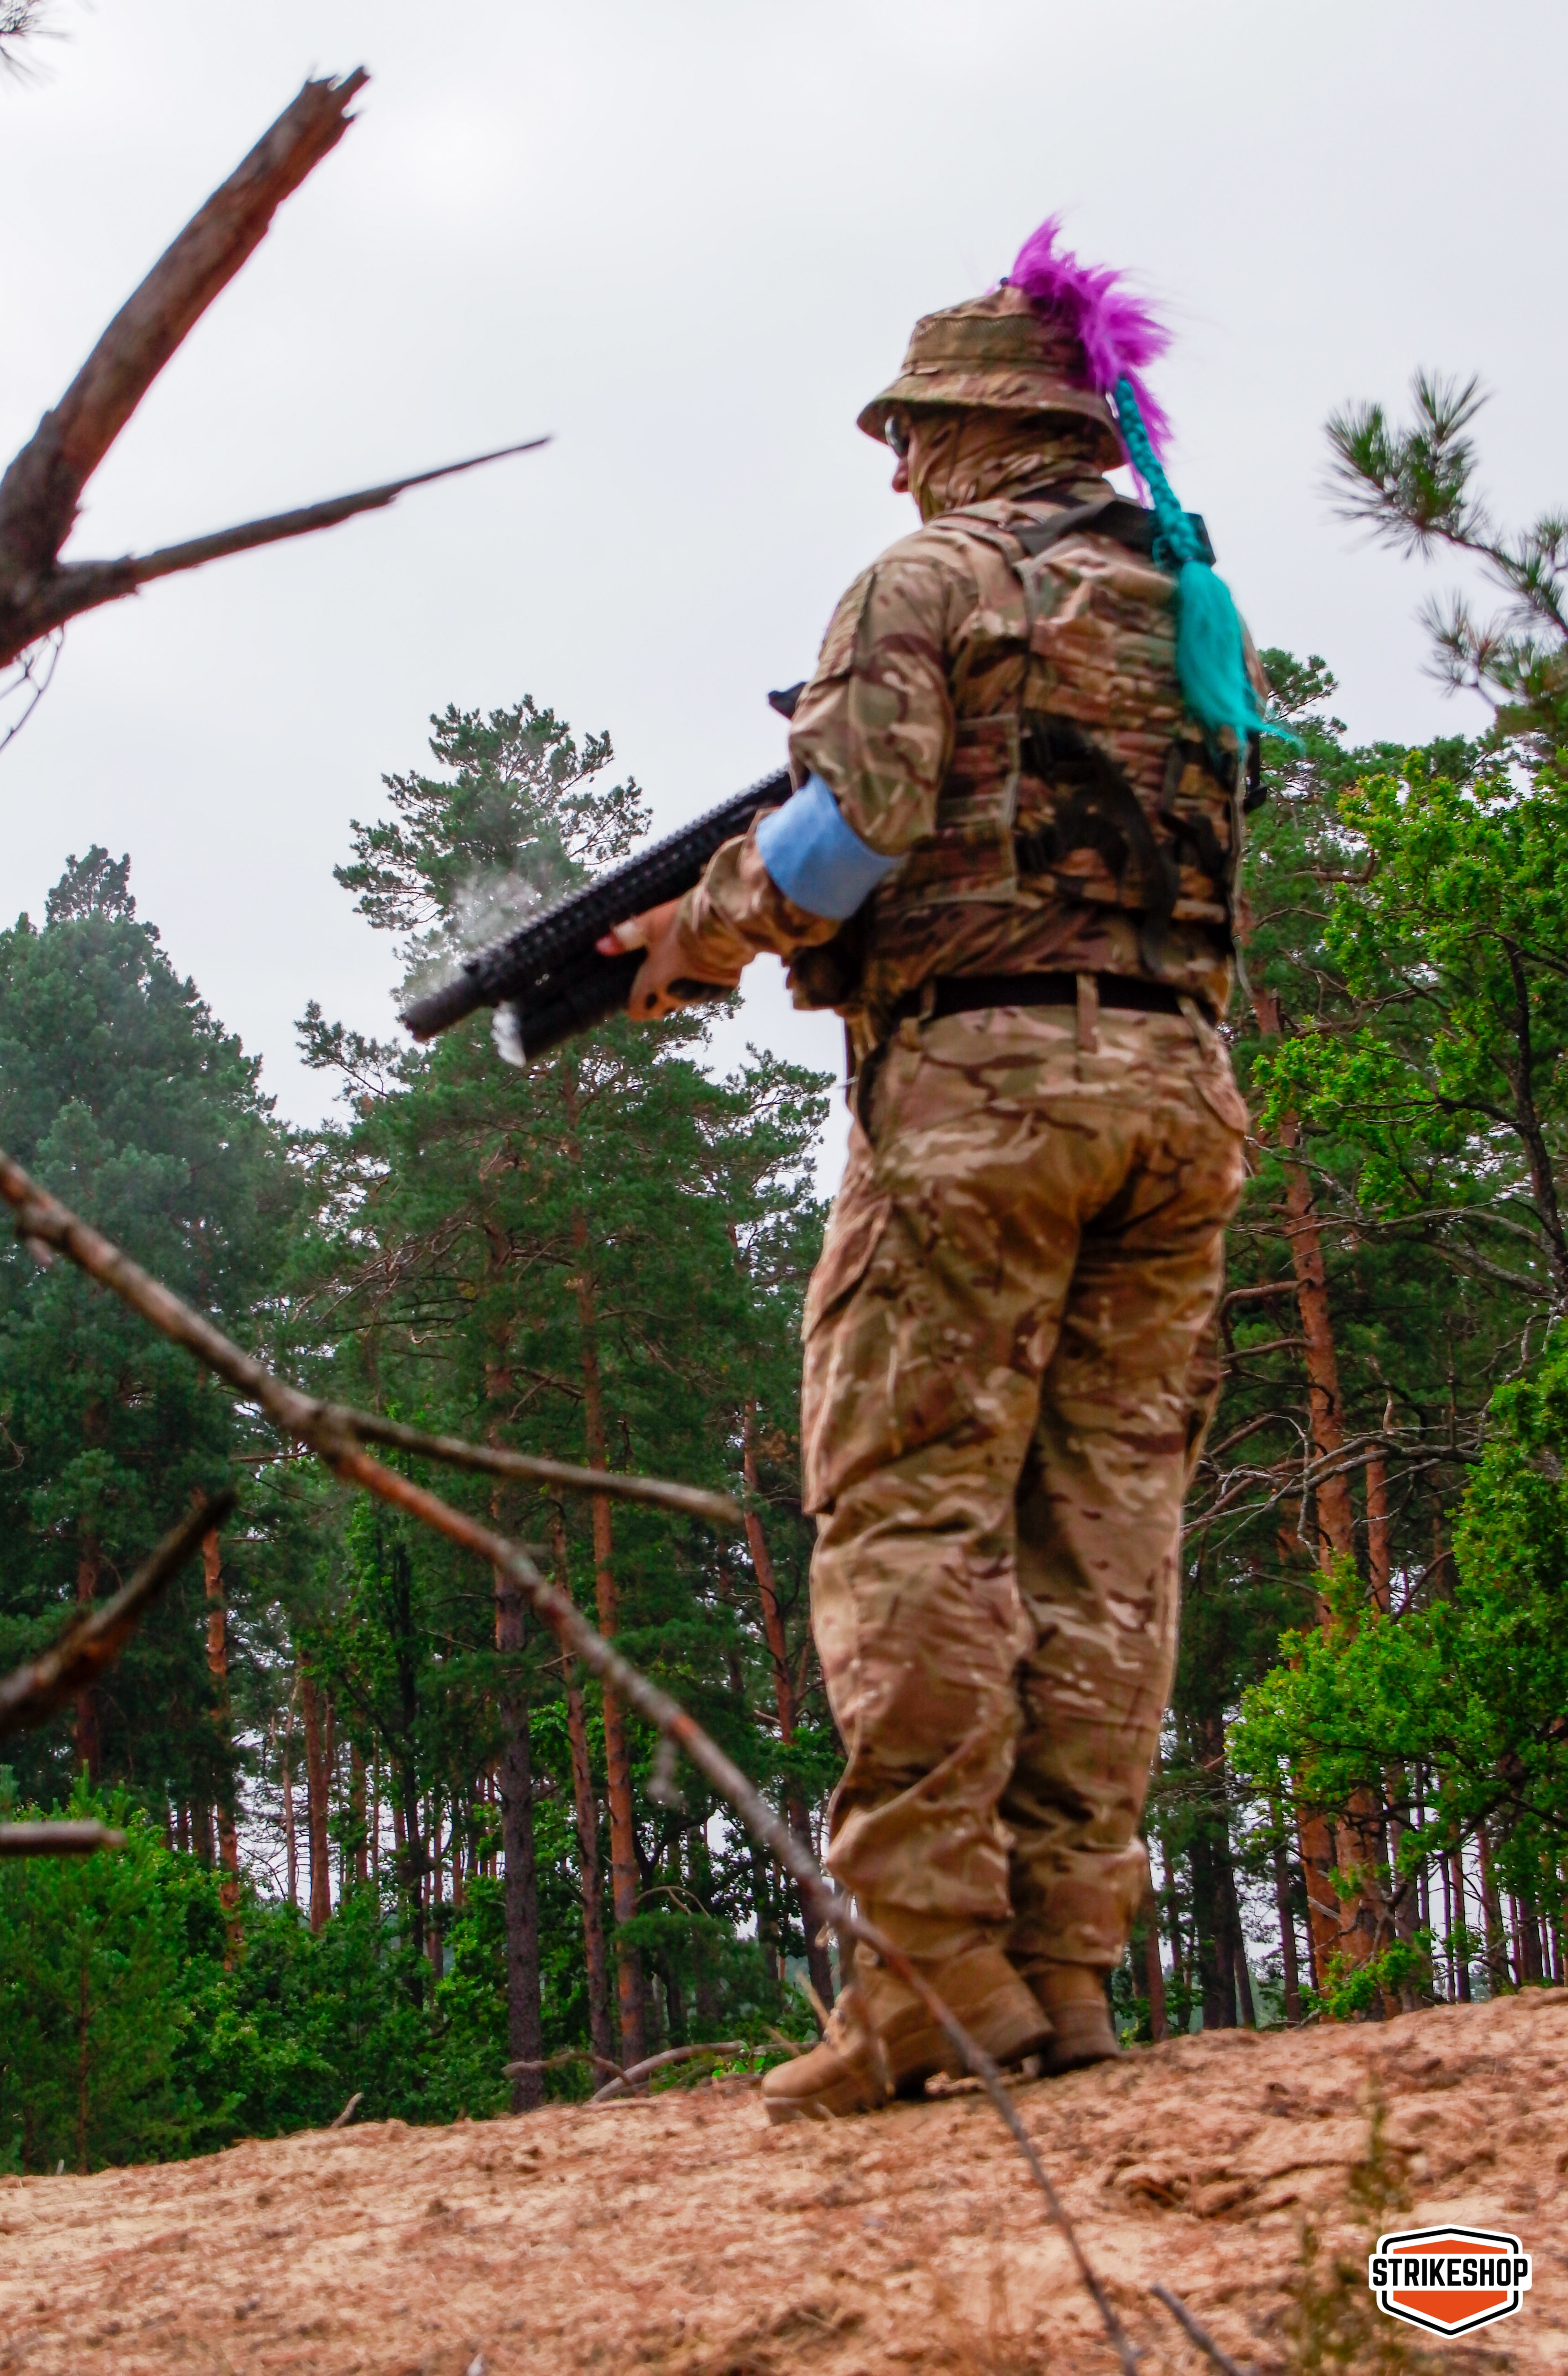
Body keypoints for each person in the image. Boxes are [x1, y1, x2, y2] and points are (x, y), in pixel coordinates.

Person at [605, 221, 1273, 2120]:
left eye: (909, 432)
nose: (896, 467)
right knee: (1105, 1542)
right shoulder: (1192, 600)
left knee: (914, 1518)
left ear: (974, 430)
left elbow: (860, 830)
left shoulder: (930, 579)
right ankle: (1059, 1972)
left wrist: (700, 933)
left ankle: (925, 1987)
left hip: (983, 1093)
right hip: (1180, 1087)